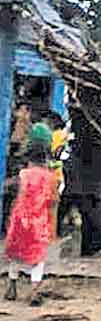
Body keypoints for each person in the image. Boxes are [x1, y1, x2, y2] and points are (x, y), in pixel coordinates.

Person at [4, 123, 60, 306]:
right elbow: (53, 202)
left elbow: (13, 195)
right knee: (38, 258)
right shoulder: (51, 178)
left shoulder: (22, 175)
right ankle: (34, 291)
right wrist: (53, 226)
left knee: (15, 255)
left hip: (20, 220)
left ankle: (11, 286)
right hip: (39, 221)